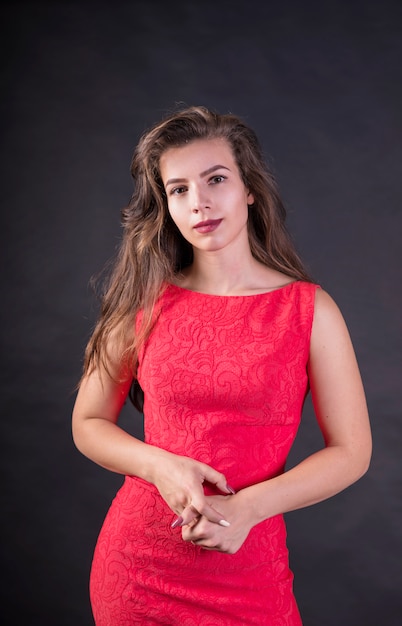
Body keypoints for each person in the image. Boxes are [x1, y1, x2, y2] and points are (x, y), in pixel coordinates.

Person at [72, 105, 372, 625]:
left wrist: (247, 510)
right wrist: (158, 465)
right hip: (138, 569)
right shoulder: (144, 303)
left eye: (215, 179)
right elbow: (87, 423)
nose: (199, 203)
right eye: (179, 189)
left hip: (250, 569)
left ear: (249, 188)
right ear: (166, 205)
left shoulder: (308, 310)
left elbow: (352, 452)